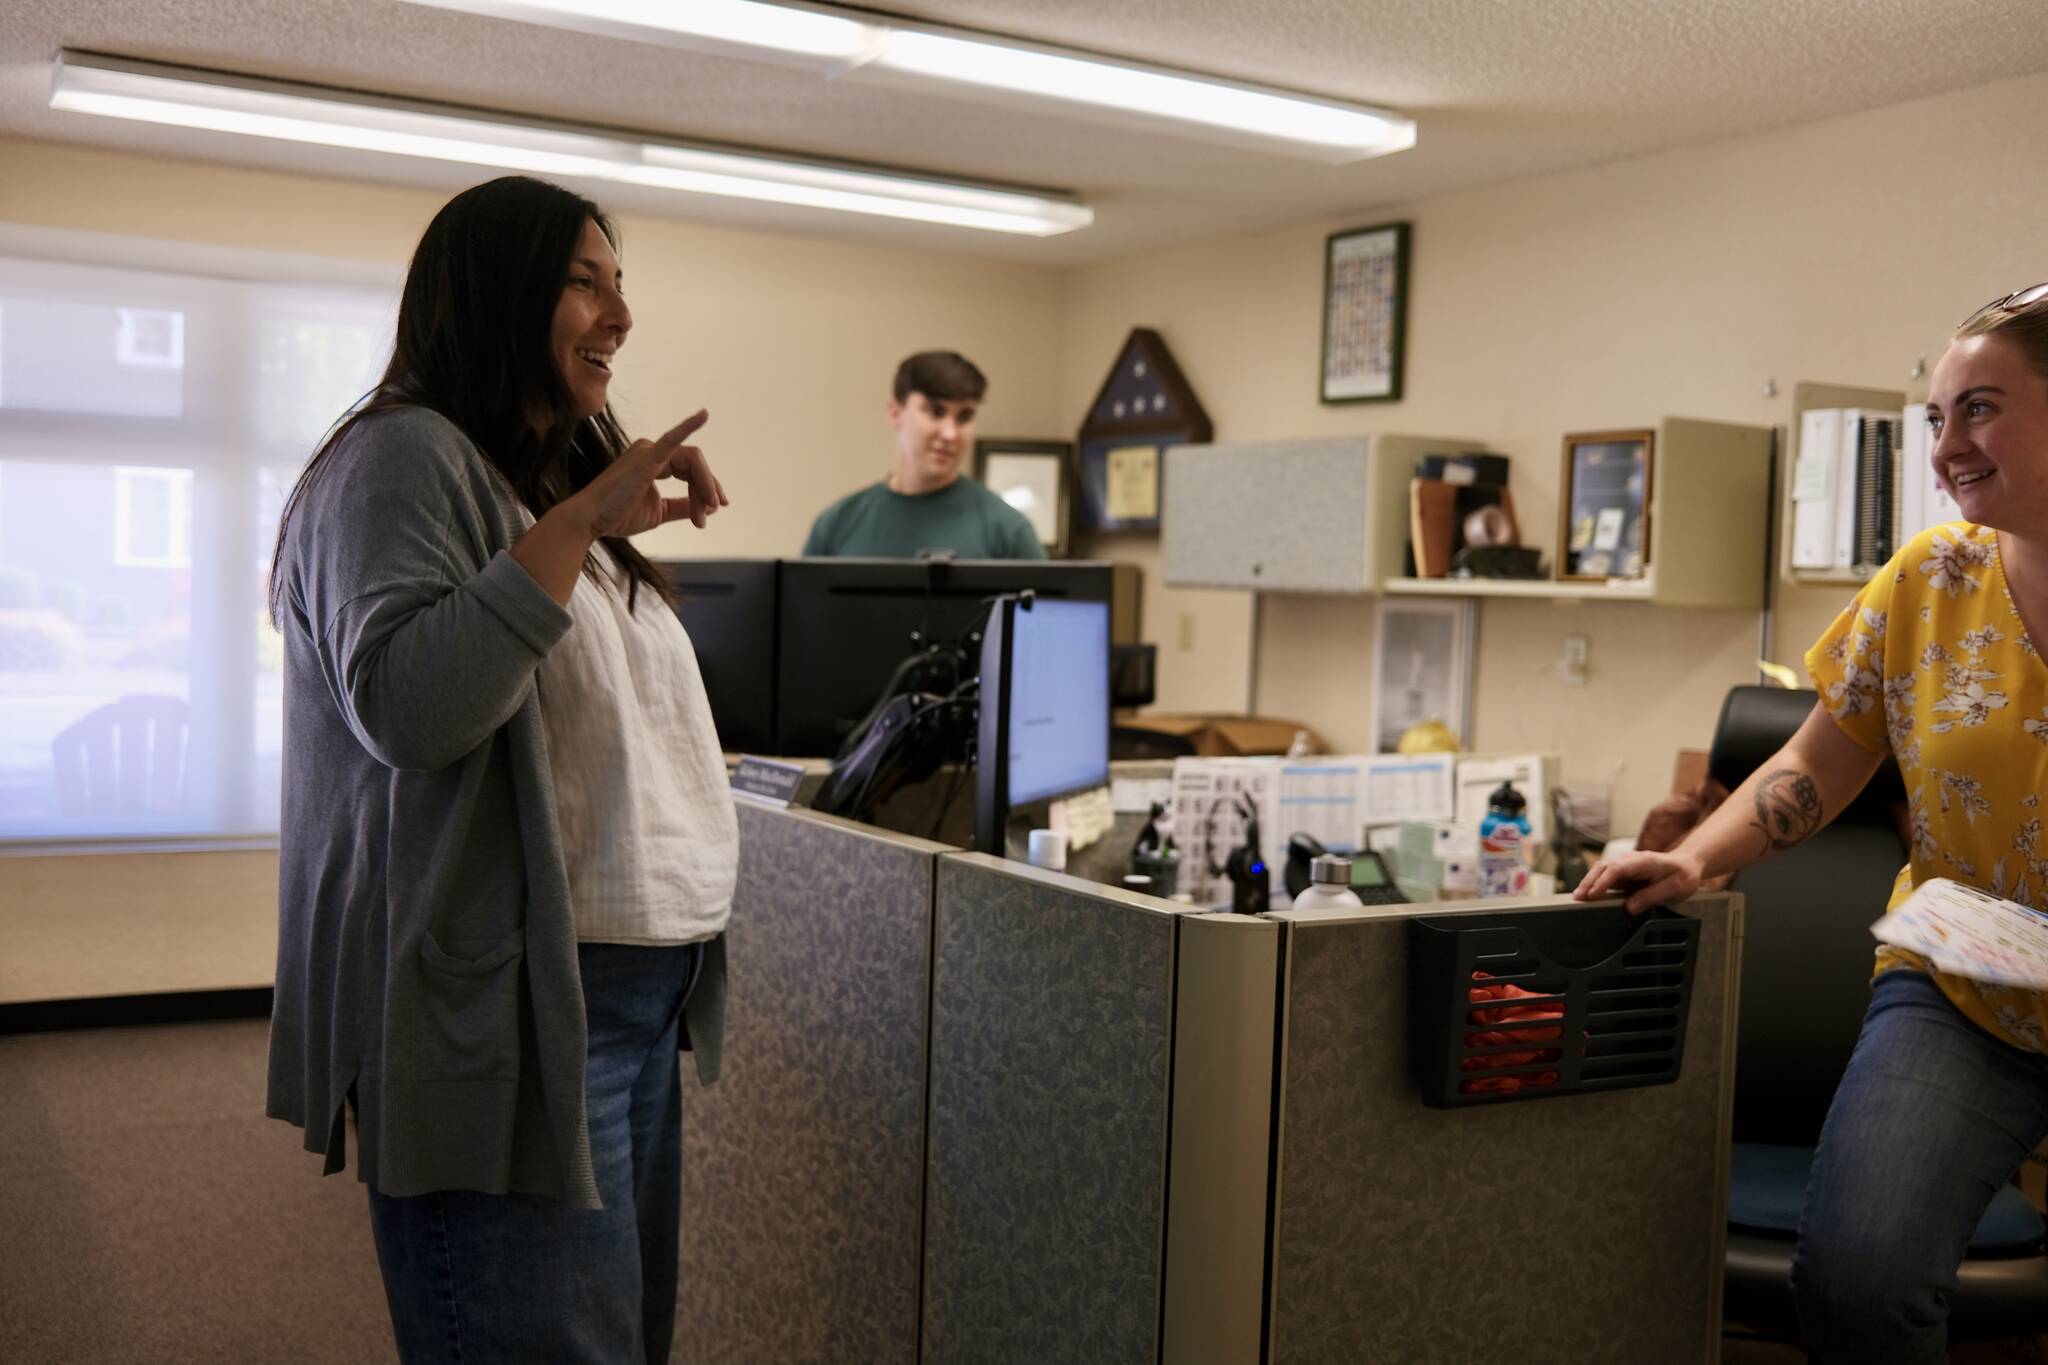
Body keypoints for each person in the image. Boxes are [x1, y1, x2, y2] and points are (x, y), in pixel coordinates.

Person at [265, 175, 737, 1364]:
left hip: (622, 1002)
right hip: (510, 1005)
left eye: (619, 284)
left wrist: (582, 521)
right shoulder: (400, 458)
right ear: (489, 295)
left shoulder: (537, 485)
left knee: (611, 1341)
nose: (618, 315)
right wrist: (578, 524)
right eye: (582, 281)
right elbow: (411, 709)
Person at [1576, 280, 2048, 1363]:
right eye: (1934, 418)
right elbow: (1814, 762)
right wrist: (1691, 860)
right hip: (1962, 997)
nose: (1943, 448)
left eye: (1977, 407)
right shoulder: (1927, 581)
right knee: (1857, 1277)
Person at [802, 350, 1045, 559]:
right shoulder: (837, 525)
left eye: (964, 417)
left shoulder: (1008, 531)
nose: (950, 434)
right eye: (936, 411)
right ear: (895, 412)